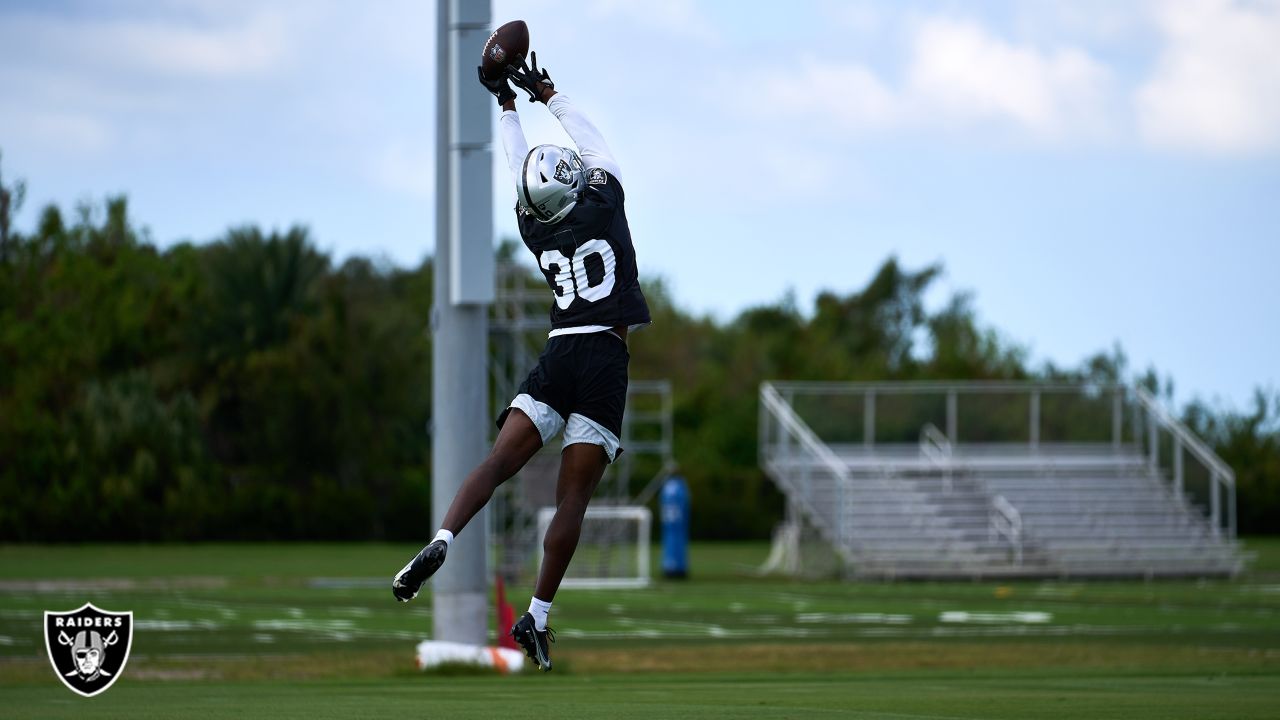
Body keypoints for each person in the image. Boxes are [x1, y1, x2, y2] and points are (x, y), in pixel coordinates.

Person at [392, 52, 650, 673]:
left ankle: (442, 539)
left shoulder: (534, 223)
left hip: (560, 350)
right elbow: (595, 146)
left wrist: (504, 105)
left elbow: (517, 165)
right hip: (603, 358)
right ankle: (535, 613)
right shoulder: (604, 200)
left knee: (499, 460)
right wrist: (548, 96)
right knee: (572, 500)